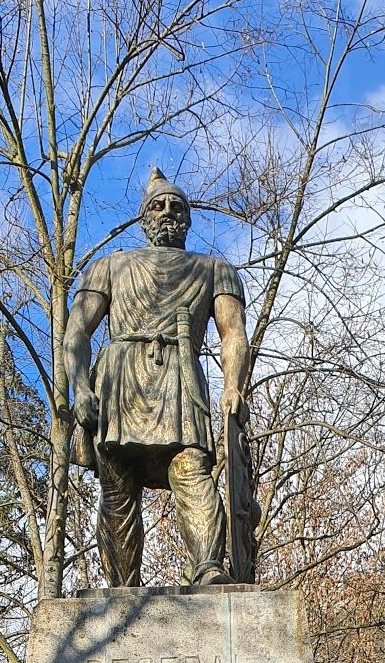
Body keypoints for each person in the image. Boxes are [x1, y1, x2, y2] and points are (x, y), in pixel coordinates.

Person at [63, 169, 250, 586]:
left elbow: (234, 332)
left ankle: (208, 567)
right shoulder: (109, 267)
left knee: (192, 472)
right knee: (117, 486)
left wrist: (233, 385)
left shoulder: (214, 269)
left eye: (177, 207)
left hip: (181, 376)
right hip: (120, 380)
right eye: (159, 205)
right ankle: (121, 587)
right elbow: (77, 331)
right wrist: (79, 386)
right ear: (143, 217)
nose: (168, 212)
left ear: (188, 219)